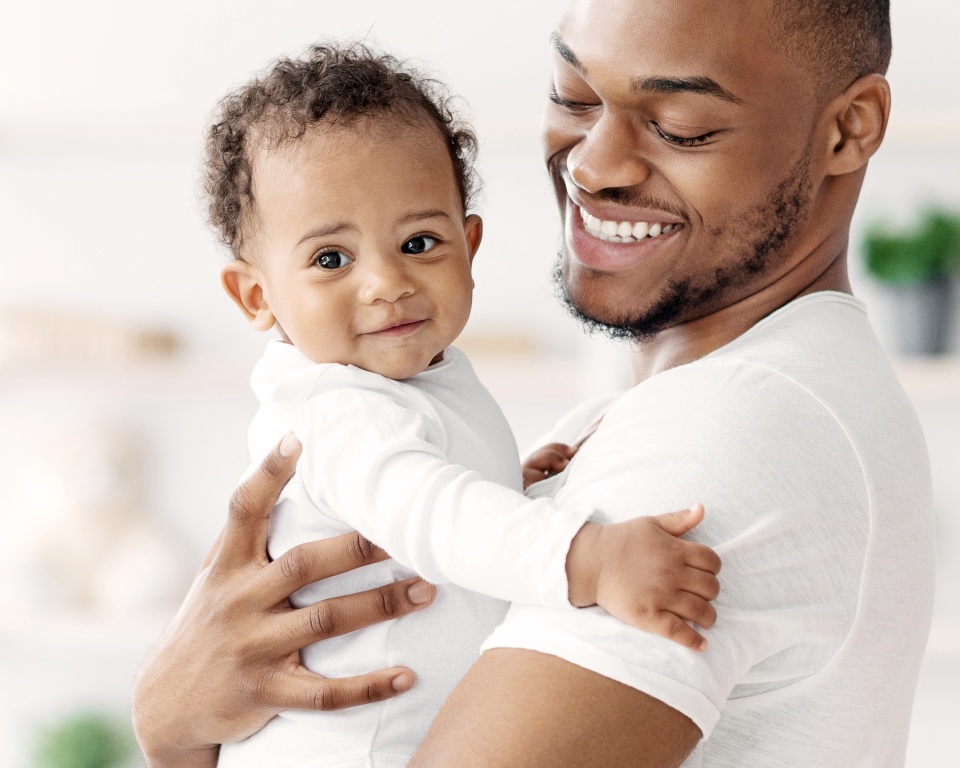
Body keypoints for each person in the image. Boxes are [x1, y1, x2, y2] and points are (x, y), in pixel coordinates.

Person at [131, 0, 936, 768]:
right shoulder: (707, 404)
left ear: (850, 129)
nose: (593, 162)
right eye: (574, 93)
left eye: (678, 124)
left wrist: (170, 724)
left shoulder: (723, 441)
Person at [200, 43, 721, 768]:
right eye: (330, 259)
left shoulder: (414, 379)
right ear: (257, 296)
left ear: (468, 246)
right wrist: (589, 557)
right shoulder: (332, 408)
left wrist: (503, 481)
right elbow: (433, 513)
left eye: (419, 242)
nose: (387, 282)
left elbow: (436, 495)